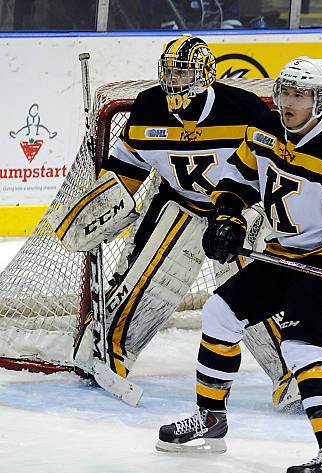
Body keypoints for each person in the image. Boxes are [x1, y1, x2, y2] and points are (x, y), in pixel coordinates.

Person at [157, 56, 322, 473]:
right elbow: (236, 182)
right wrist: (228, 219)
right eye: (285, 93)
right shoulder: (262, 130)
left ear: (319, 101)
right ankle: (211, 419)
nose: (289, 103)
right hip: (280, 255)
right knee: (219, 315)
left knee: (302, 350)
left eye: (300, 95)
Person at [52, 34, 299, 412]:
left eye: (183, 71)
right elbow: (129, 164)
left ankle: (292, 374)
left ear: (205, 73)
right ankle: (110, 354)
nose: (175, 79)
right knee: (147, 284)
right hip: (179, 203)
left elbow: (274, 167)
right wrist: (106, 202)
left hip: (238, 209)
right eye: (170, 71)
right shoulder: (149, 106)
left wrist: (248, 214)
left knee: (251, 289)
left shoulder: (243, 108)